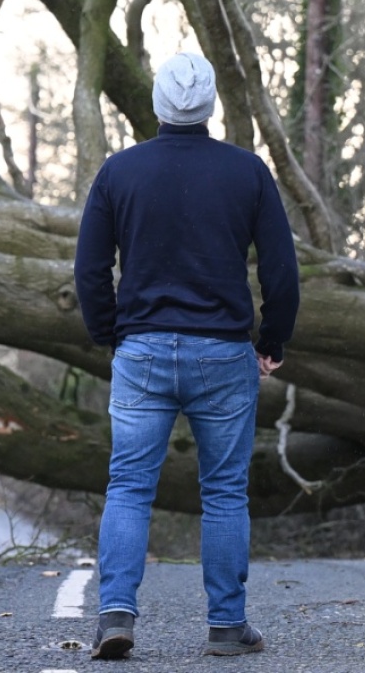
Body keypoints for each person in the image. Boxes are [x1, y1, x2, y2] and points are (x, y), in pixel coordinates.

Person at [73, 51, 300, 659]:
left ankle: (116, 615)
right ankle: (227, 626)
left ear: (157, 104)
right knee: (224, 491)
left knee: (127, 487)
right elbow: (281, 271)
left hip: (142, 349)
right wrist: (272, 340)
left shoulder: (119, 173)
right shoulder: (247, 172)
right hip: (224, 355)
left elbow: (90, 269)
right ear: (208, 107)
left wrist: (109, 334)